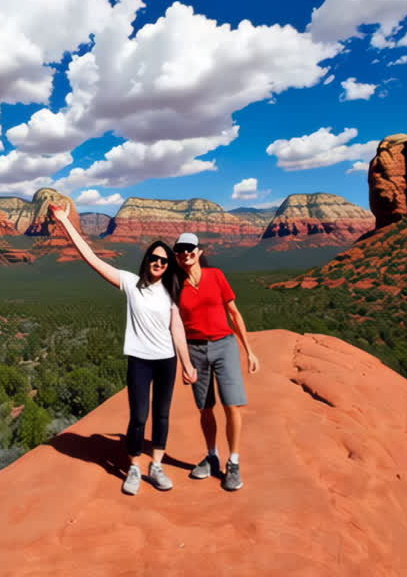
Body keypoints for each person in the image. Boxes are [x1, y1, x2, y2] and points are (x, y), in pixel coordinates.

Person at [50, 204, 198, 495]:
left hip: (166, 360)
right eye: (154, 258)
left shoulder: (171, 290)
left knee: (162, 414)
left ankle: (155, 465)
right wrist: (65, 221)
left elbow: (177, 328)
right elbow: (91, 258)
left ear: (169, 265)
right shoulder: (131, 283)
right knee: (139, 415)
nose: (159, 263)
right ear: (147, 260)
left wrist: (187, 363)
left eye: (164, 260)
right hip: (140, 360)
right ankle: (133, 467)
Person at [172, 232, 259, 491]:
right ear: (176, 255)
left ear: (199, 252)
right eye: (180, 250)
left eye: (190, 249)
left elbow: (234, 312)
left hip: (225, 345)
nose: (186, 254)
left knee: (232, 404)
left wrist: (249, 351)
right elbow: (173, 325)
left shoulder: (216, 275)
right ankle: (212, 456)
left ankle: (233, 462)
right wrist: (184, 361)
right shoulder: (175, 283)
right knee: (205, 407)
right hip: (195, 350)